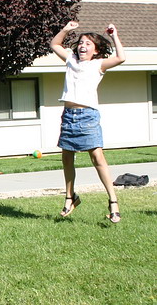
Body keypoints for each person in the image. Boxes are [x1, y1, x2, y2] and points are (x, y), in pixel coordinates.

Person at [50, 21, 125, 223]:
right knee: (67, 157)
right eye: (81, 42)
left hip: (88, 116)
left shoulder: (98, 65)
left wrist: (114, 35)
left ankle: (113, 201)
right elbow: (55, 45)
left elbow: (121, 57)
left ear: (96, 50)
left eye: (88, 43)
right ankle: (70, 197)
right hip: (69, 115)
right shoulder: (71, 60)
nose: (83, 45)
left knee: (97, 157)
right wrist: (65, 29)